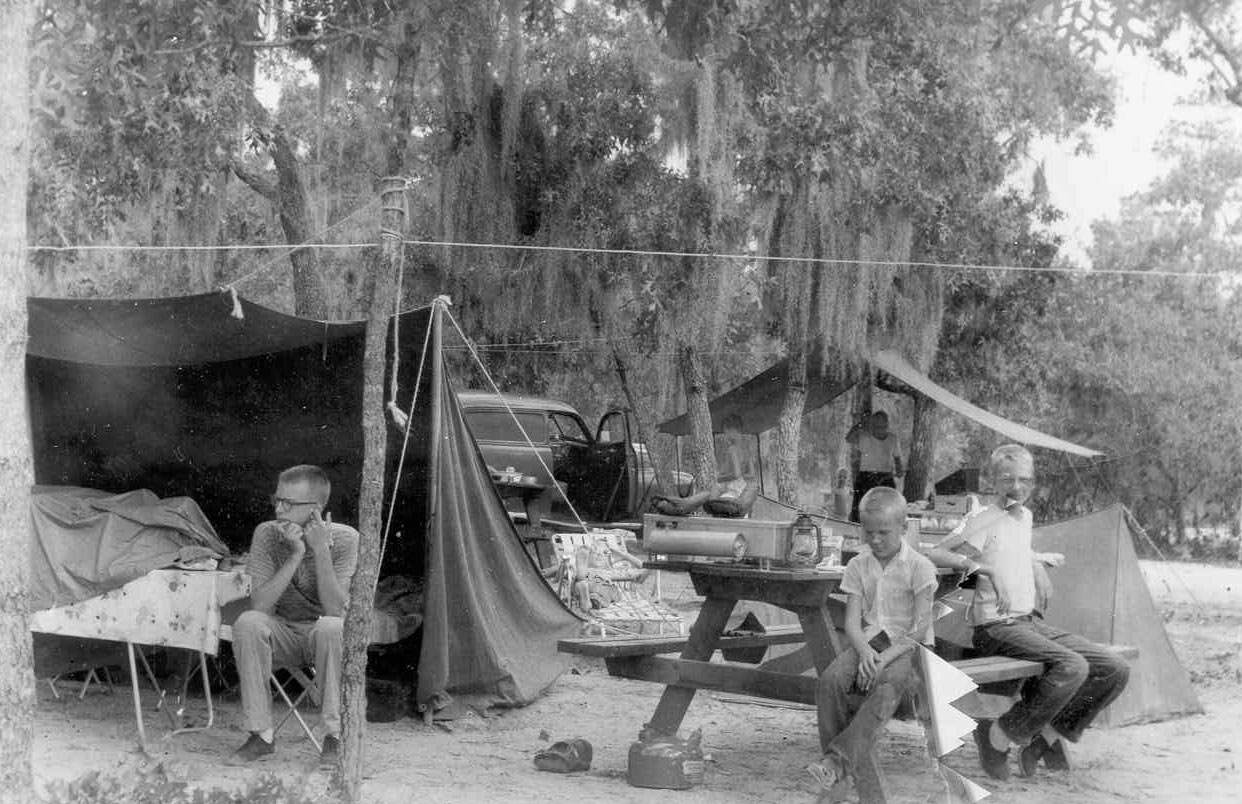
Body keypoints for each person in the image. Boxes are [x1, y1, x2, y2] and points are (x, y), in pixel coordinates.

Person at [923, 444, 1129, 780]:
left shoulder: (1025, 517)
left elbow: (1012, 548)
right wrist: (984, 569)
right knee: (1072, 666)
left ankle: (1046, 737)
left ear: (1033, 482)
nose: (1016, 487)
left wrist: (1036, 564)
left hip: (1026, 623)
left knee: (1114, 668)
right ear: (993, 481)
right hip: (995, 627)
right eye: (1007, 480)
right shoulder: (983, 518)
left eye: (1024, 480)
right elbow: (934, 553)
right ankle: (998, 735)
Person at [807, 486, 937, 802]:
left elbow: (920, 629)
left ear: (904, 528)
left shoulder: (919, 566)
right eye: (869, 532)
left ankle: (836, 764)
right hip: (872, 641)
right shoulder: (858, 564)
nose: (875, 539)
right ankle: (837, 779)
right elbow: (852, 623)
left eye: (884, 532)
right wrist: (865, 651)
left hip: (910, 647)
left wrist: (883, 659)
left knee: (887, 686)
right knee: (831, 681)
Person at [230, 465, 360, 763]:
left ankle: (334, 737)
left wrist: (320, 550)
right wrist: (296, 554)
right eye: (276, 500)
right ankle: (261, 735)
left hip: (323, 637)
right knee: (248, 622)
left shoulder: (346, 539)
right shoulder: (266, 533)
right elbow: (261, 606)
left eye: (287, 503)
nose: (278, 509)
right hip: (284, 632)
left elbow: (335, 609)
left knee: (332, 627)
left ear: (315, 509)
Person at [652, 413, 759, 517]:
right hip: (740, 489)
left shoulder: (732, 449)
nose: (725, 435)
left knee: (706, 495)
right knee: (706, 494)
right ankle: (681, 505)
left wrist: (719, 478)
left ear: (733, 430)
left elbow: (736, 474)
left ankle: (680, 506)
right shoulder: (747, 449)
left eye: (725, 431)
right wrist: (740, 479)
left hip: (731, 490)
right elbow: (751, 475)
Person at [846, 411, 904, 521]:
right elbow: (848, 439)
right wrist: (859, 425)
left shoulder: (893, 439)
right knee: (860, 510)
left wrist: (899, 469)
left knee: (888, 509)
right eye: (877, 426)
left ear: (887, 425)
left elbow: (897, 457)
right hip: (866, 477)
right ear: (872, 426)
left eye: (883, 426)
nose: (881, 429)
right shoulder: (865, 437)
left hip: (885, 477)